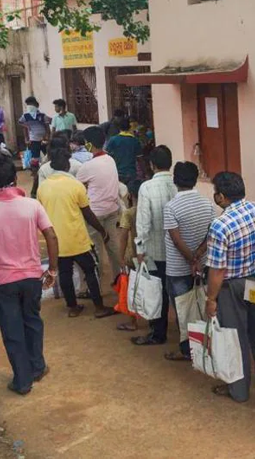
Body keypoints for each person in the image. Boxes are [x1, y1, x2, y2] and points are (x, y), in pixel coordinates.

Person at [0, 157, 59, 395]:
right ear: (15, 179)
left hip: (2, 282)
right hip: (31, 278)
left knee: (12, 328)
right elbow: (51, 236)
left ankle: (22, 380)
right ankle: (37, 367)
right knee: (33, 321)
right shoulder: (32, 206)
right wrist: (52, 269)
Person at [204, 172, 255, 403]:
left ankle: (239, 390)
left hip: (231, 287)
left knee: (235, 338)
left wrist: (211, 299)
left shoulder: (219, 225)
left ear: (221, 196)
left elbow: (217, 270)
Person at [37, 148, 114, 318]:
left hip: (57, 241)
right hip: (78, 239)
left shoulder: (43, 188)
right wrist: (102, 230)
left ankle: (72, 307)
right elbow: (88, 213)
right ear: (67, 165)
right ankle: (99, 307)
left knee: (64, 273)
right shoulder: (75, 185)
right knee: (91, 270)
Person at [162, 162, 216, 361]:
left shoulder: (171, 207)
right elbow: (211, 234)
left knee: (183, 310)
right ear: (194, 180)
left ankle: (187, 350)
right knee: (203, 306)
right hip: (203, 265)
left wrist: (189, 258)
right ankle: (205, 344)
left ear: (175, 180)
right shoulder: (208, 204)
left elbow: (176, 240)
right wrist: (197, 256)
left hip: (178, 268)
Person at [131, 146, 177, 346]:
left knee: (156, 292)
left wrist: (140, 250)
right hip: (178, 250)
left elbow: (143, 222)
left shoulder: (147, 187)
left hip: (155, 250)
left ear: (152, 165)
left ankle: (158, 332)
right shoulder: (179, 184)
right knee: (177, 291)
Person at [75, 126, 123, 282]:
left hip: (94, 215)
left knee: (95, 250)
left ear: (88, 144)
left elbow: (78, 188)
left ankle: (96, 283)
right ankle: (120, 279)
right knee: (113, 247)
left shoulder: (87, 166)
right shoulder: (110, 160)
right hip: (112, 210)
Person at [116, 180, 142, 332]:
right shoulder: (148, 210)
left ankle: (133, 321)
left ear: (131, 195)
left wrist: (120, 258)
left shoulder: (129, 212)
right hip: (150, 255)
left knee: (133, 288)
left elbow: (123, 236)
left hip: (133, 256)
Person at [105, 117, 143, 184]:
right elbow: (140, 159)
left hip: (117, 173)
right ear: (129, 127)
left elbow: (106, 156)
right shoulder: (135, 141)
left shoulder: (113, 140)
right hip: (131, 173)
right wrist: (144, 172)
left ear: (119, 128)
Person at [18, 96, 51, 163]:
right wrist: (26, 138)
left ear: (36, 105)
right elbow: (20, 123)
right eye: (28, 104)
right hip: (33, 139)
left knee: (47, 155)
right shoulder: (25, 116)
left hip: (43, 139)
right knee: (35, 157)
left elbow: (47, 127)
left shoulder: (42, 115)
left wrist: (47, 137)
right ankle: (35, 171)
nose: (30, 106)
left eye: (31, 104)